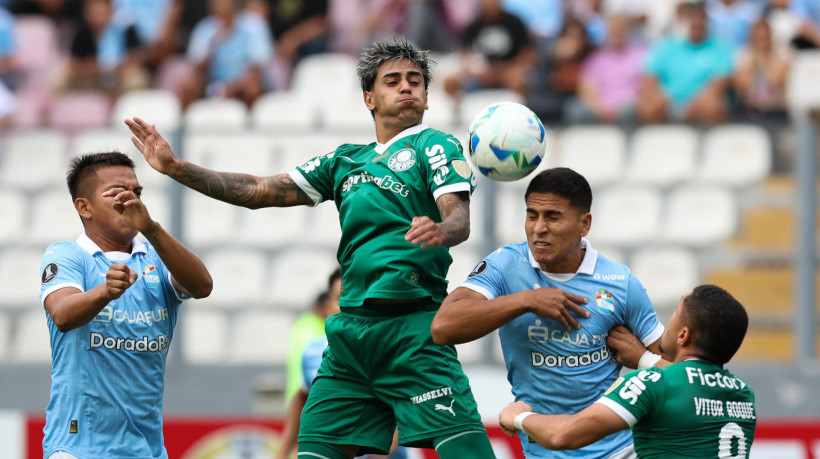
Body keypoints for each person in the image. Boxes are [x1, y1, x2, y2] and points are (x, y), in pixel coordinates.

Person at [126, 38, 495, 459]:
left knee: (467, 452)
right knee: (314, 452)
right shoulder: (343, 161)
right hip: (349, 338)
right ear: (369, 98)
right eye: (393, 81)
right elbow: (259, 190)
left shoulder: (435, 146)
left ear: (428, 97)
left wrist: (442, 229)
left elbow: (459, 218)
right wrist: (177, 168)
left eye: (415, 81)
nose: (407, 88)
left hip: (414, 327)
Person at [431, 167, 665, 458]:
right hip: (542, 451)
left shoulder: (620, 283)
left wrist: (643, 359)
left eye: (552, 217)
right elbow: (443, 327)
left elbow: (681, 370)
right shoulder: (507, 266)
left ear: (584, 224)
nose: (539, 227)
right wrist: (526, 300)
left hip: (620, 450)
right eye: (532, 215)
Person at [39, 152, 213, 459]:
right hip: (78, 446)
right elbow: (63, 314)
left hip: (147, 448)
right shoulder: (67, 255)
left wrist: (152, 229)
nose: (130, 199)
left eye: (137, 192)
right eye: (116, 192)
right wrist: (104, 292)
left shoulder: (157, 257)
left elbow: (202, 286)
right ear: (84, 207)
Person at [498, 284, 756, 458]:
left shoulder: (652, 383)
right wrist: (644, 358)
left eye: (676, 313)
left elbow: (566, 436)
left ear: (684, 335)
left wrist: (519, 418)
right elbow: (690, 385)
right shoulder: (744, 396)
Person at [637, 1, 734, 124]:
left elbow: (720, 83)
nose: (697, 23)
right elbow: (650, 76)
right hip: (669, 102)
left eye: (701, 18)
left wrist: (697, 102)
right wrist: (659, 97)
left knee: (712, 107)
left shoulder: (720, 48)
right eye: (692, 18)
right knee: (648, 107)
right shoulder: (668, 46)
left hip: (701, 102)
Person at [566, 14, 646, 124]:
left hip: (629, 107)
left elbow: (646, 88)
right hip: (600, 108)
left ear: (628, 30)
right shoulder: (597, 57)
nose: (617, 33)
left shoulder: (640, 55)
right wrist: (599, 108)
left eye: (620, 29)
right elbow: (586, 88)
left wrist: (619, 108)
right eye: (614, 30)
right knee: (574, 109)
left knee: (630, 112)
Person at [283, 268, 342, 409]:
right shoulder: (316, 342)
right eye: (340, 298)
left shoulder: (302, 324)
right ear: (326, 307)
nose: (347, 305)